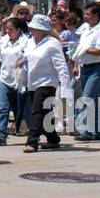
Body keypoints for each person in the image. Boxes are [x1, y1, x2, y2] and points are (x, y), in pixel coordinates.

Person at [22, 14, 70, 152]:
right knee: (44, 113)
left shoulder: (52, 43)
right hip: (32, 81)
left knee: (37, 112)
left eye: (35, 27)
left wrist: (65, 87)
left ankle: (32, 141)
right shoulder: (30, 41)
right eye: (31, 27)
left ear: (43, 29)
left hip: (47, 82)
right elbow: (27, 58)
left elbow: (61, 66)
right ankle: (53, 138)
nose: (32, 29)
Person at [0, 16, 29, 146]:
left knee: (22, 110)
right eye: (6, 29)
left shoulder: (26, 42)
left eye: (11, 29)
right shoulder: (3, 41)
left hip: (20, 81)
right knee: (3, 109)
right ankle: (1, 136)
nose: (8, 32)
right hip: (5, 79)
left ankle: (32, 133)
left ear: (18, 30)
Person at [73, 3, 100, 140]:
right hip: (85, 67)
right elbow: (79, 49)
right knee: (92, 100)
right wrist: (76, 64)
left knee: (87, 98)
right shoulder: (85, 28)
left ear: (96, 15)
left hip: (97, 68)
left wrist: (85, 49)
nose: (85, 17)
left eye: (88, 14)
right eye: (85, 14)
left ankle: (86, 130)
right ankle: (98, 131)